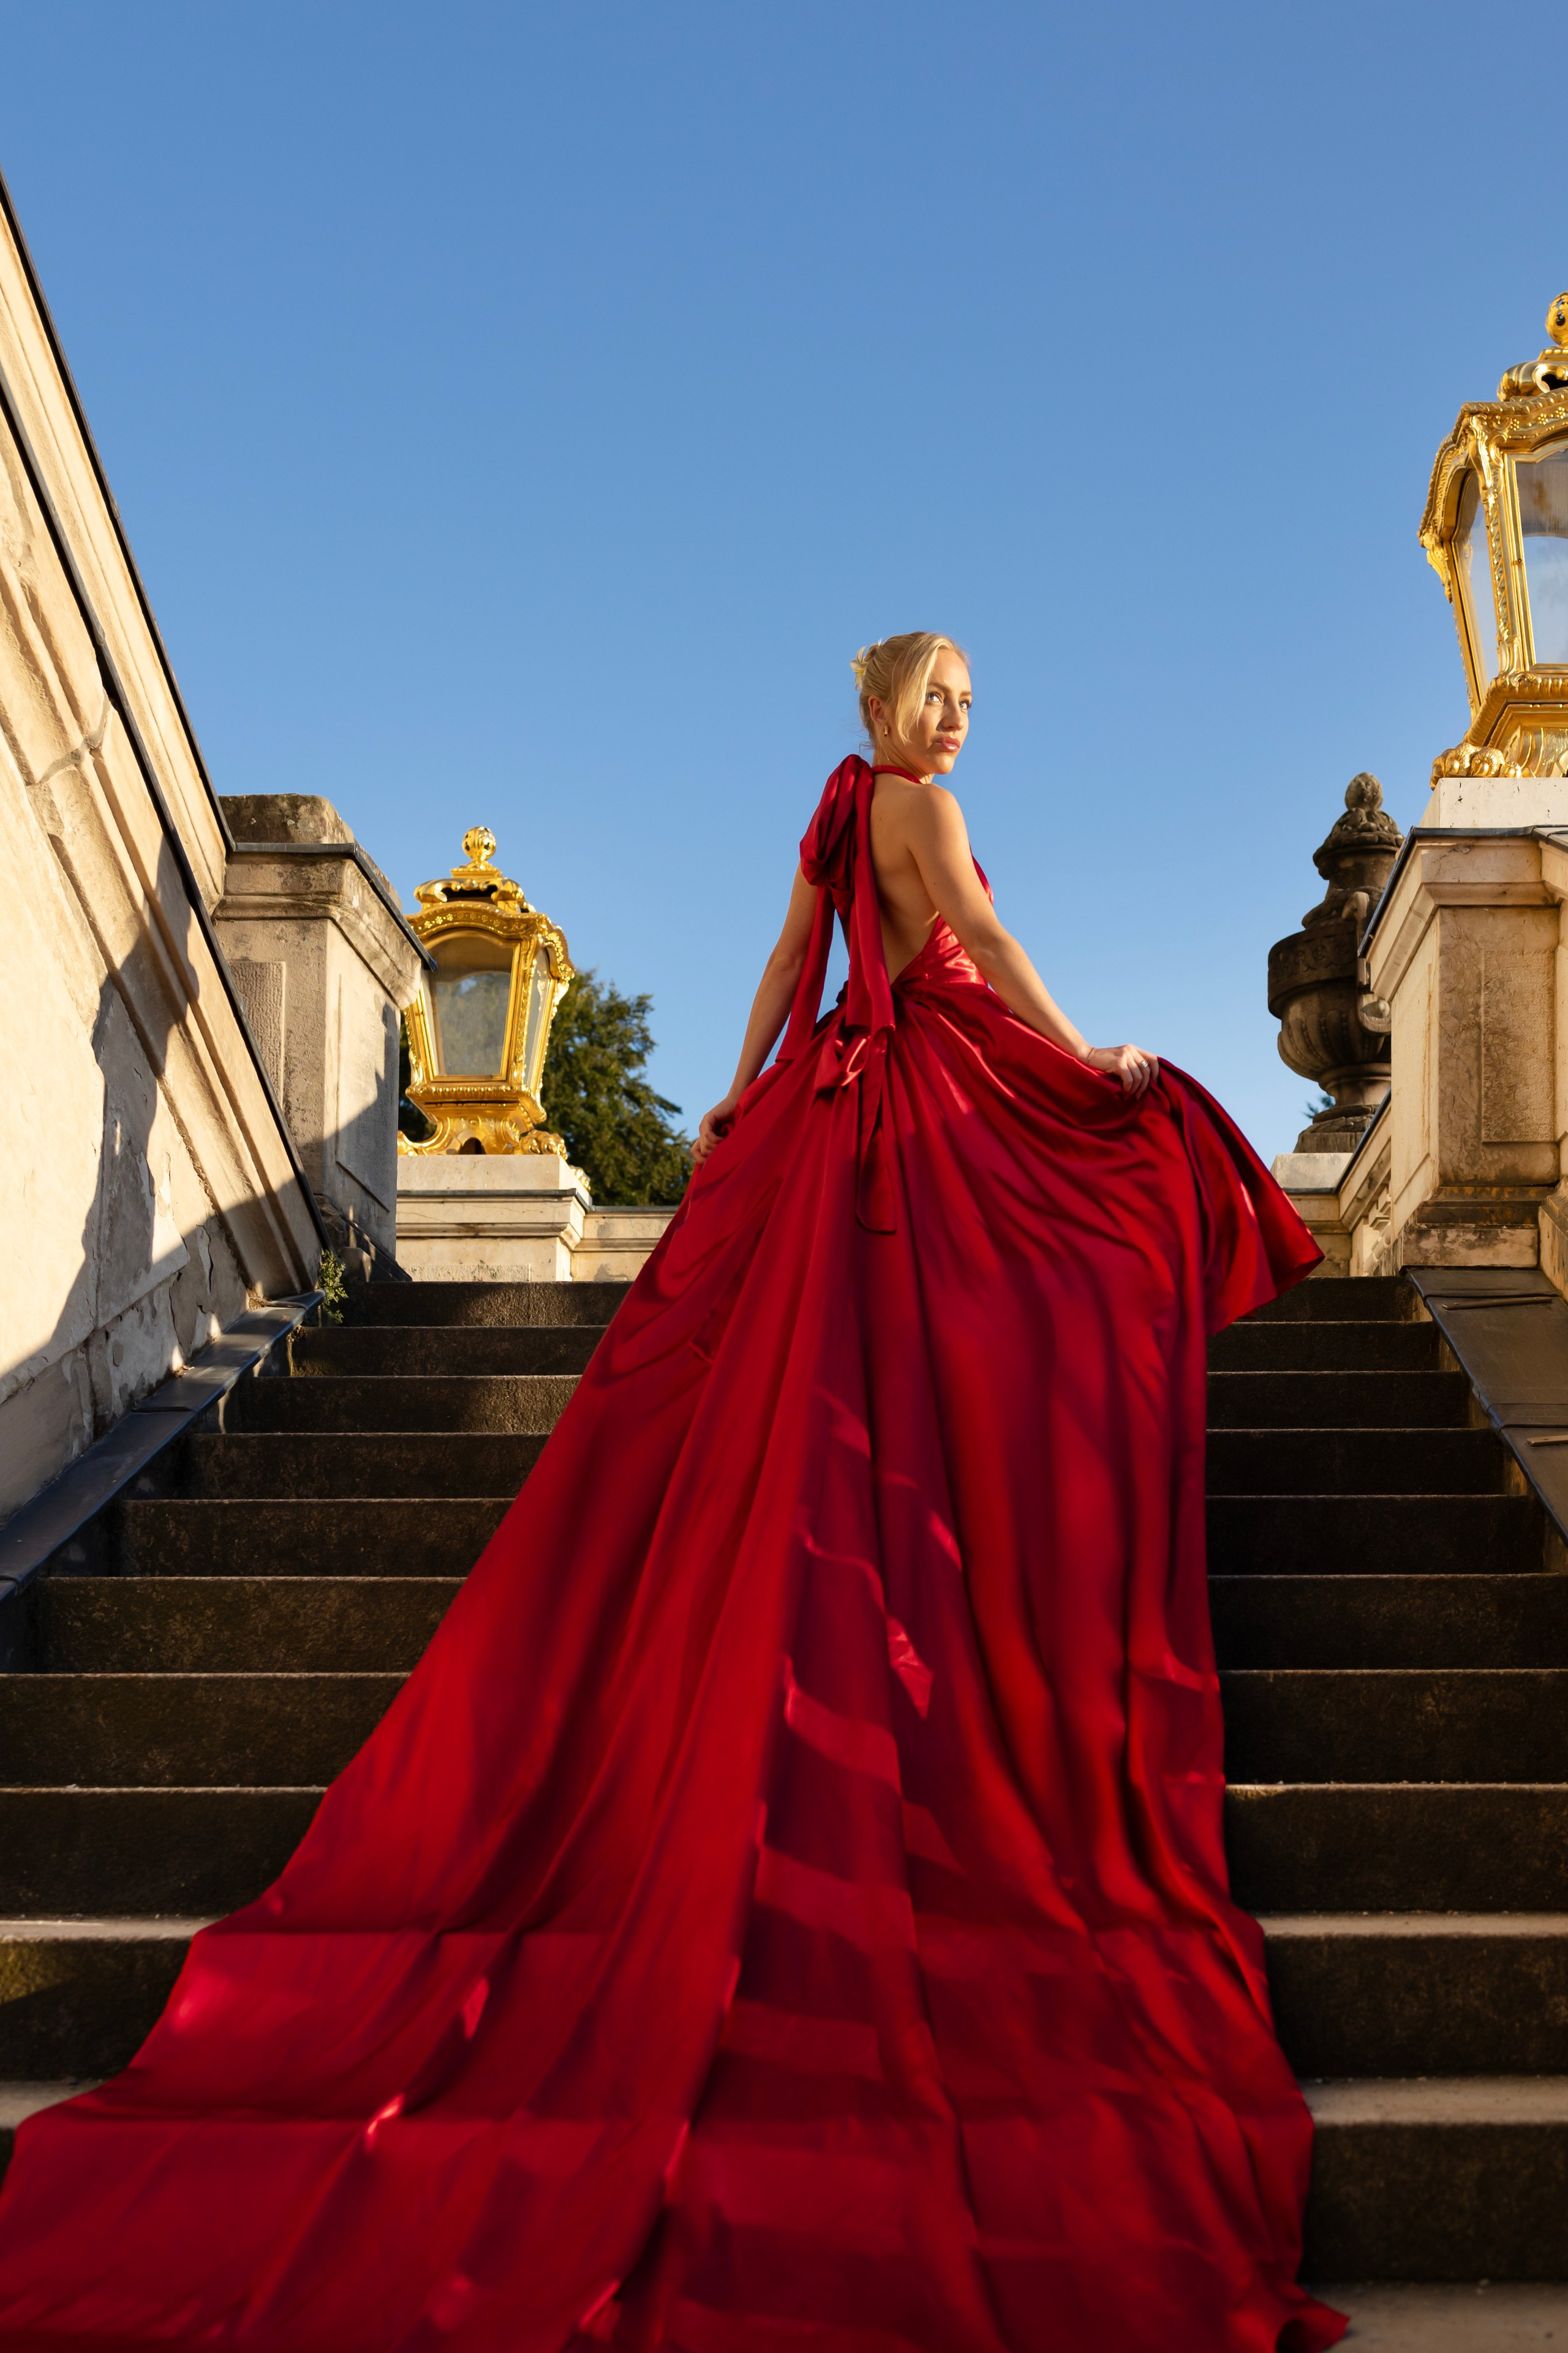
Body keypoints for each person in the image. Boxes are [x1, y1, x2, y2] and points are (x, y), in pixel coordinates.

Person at [0, 633, 1343, 2352]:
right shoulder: (919, 804)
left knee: (825, 1377)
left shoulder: (840, 803)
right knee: (979, 1321)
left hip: (834, 1112)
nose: (962, 717)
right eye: (946, 692)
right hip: (925, 1106)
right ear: (893, 704)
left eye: (967, 701)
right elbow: (988, 947)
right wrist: (1088, 1066)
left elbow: (795, 956)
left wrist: (739, 1084)